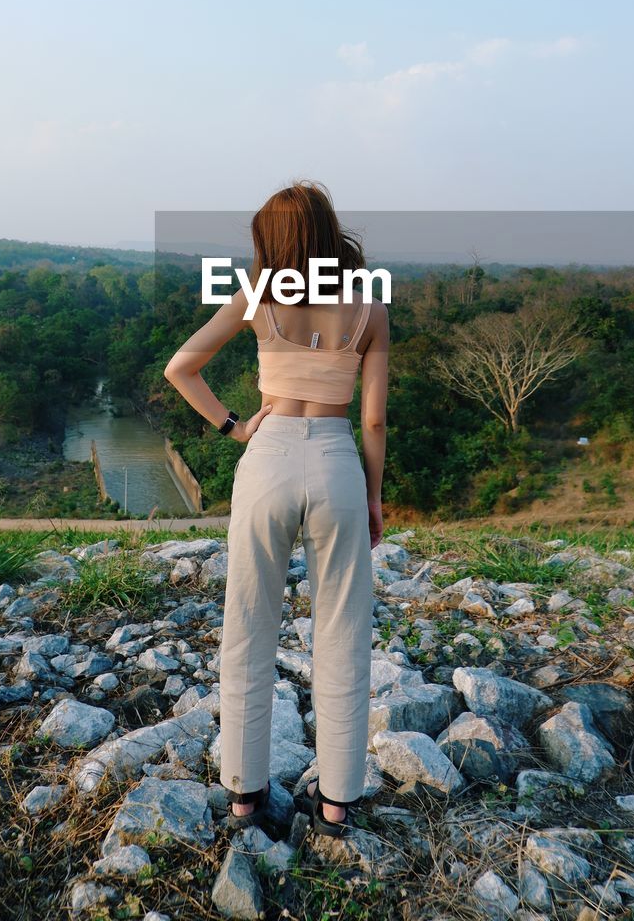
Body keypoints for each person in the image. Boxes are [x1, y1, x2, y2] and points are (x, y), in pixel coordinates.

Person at [163, 179, 389, 838]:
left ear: (273, 241)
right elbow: (372, 419)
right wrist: (371, 496)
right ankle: (337, 801)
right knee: (343, 631)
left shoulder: (257, 297)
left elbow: (182, 367)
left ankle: (243, 795)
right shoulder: (368, 311)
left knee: (248, 625)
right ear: (325, 233)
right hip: (336, 460)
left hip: (266, 459)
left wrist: (235, 426)